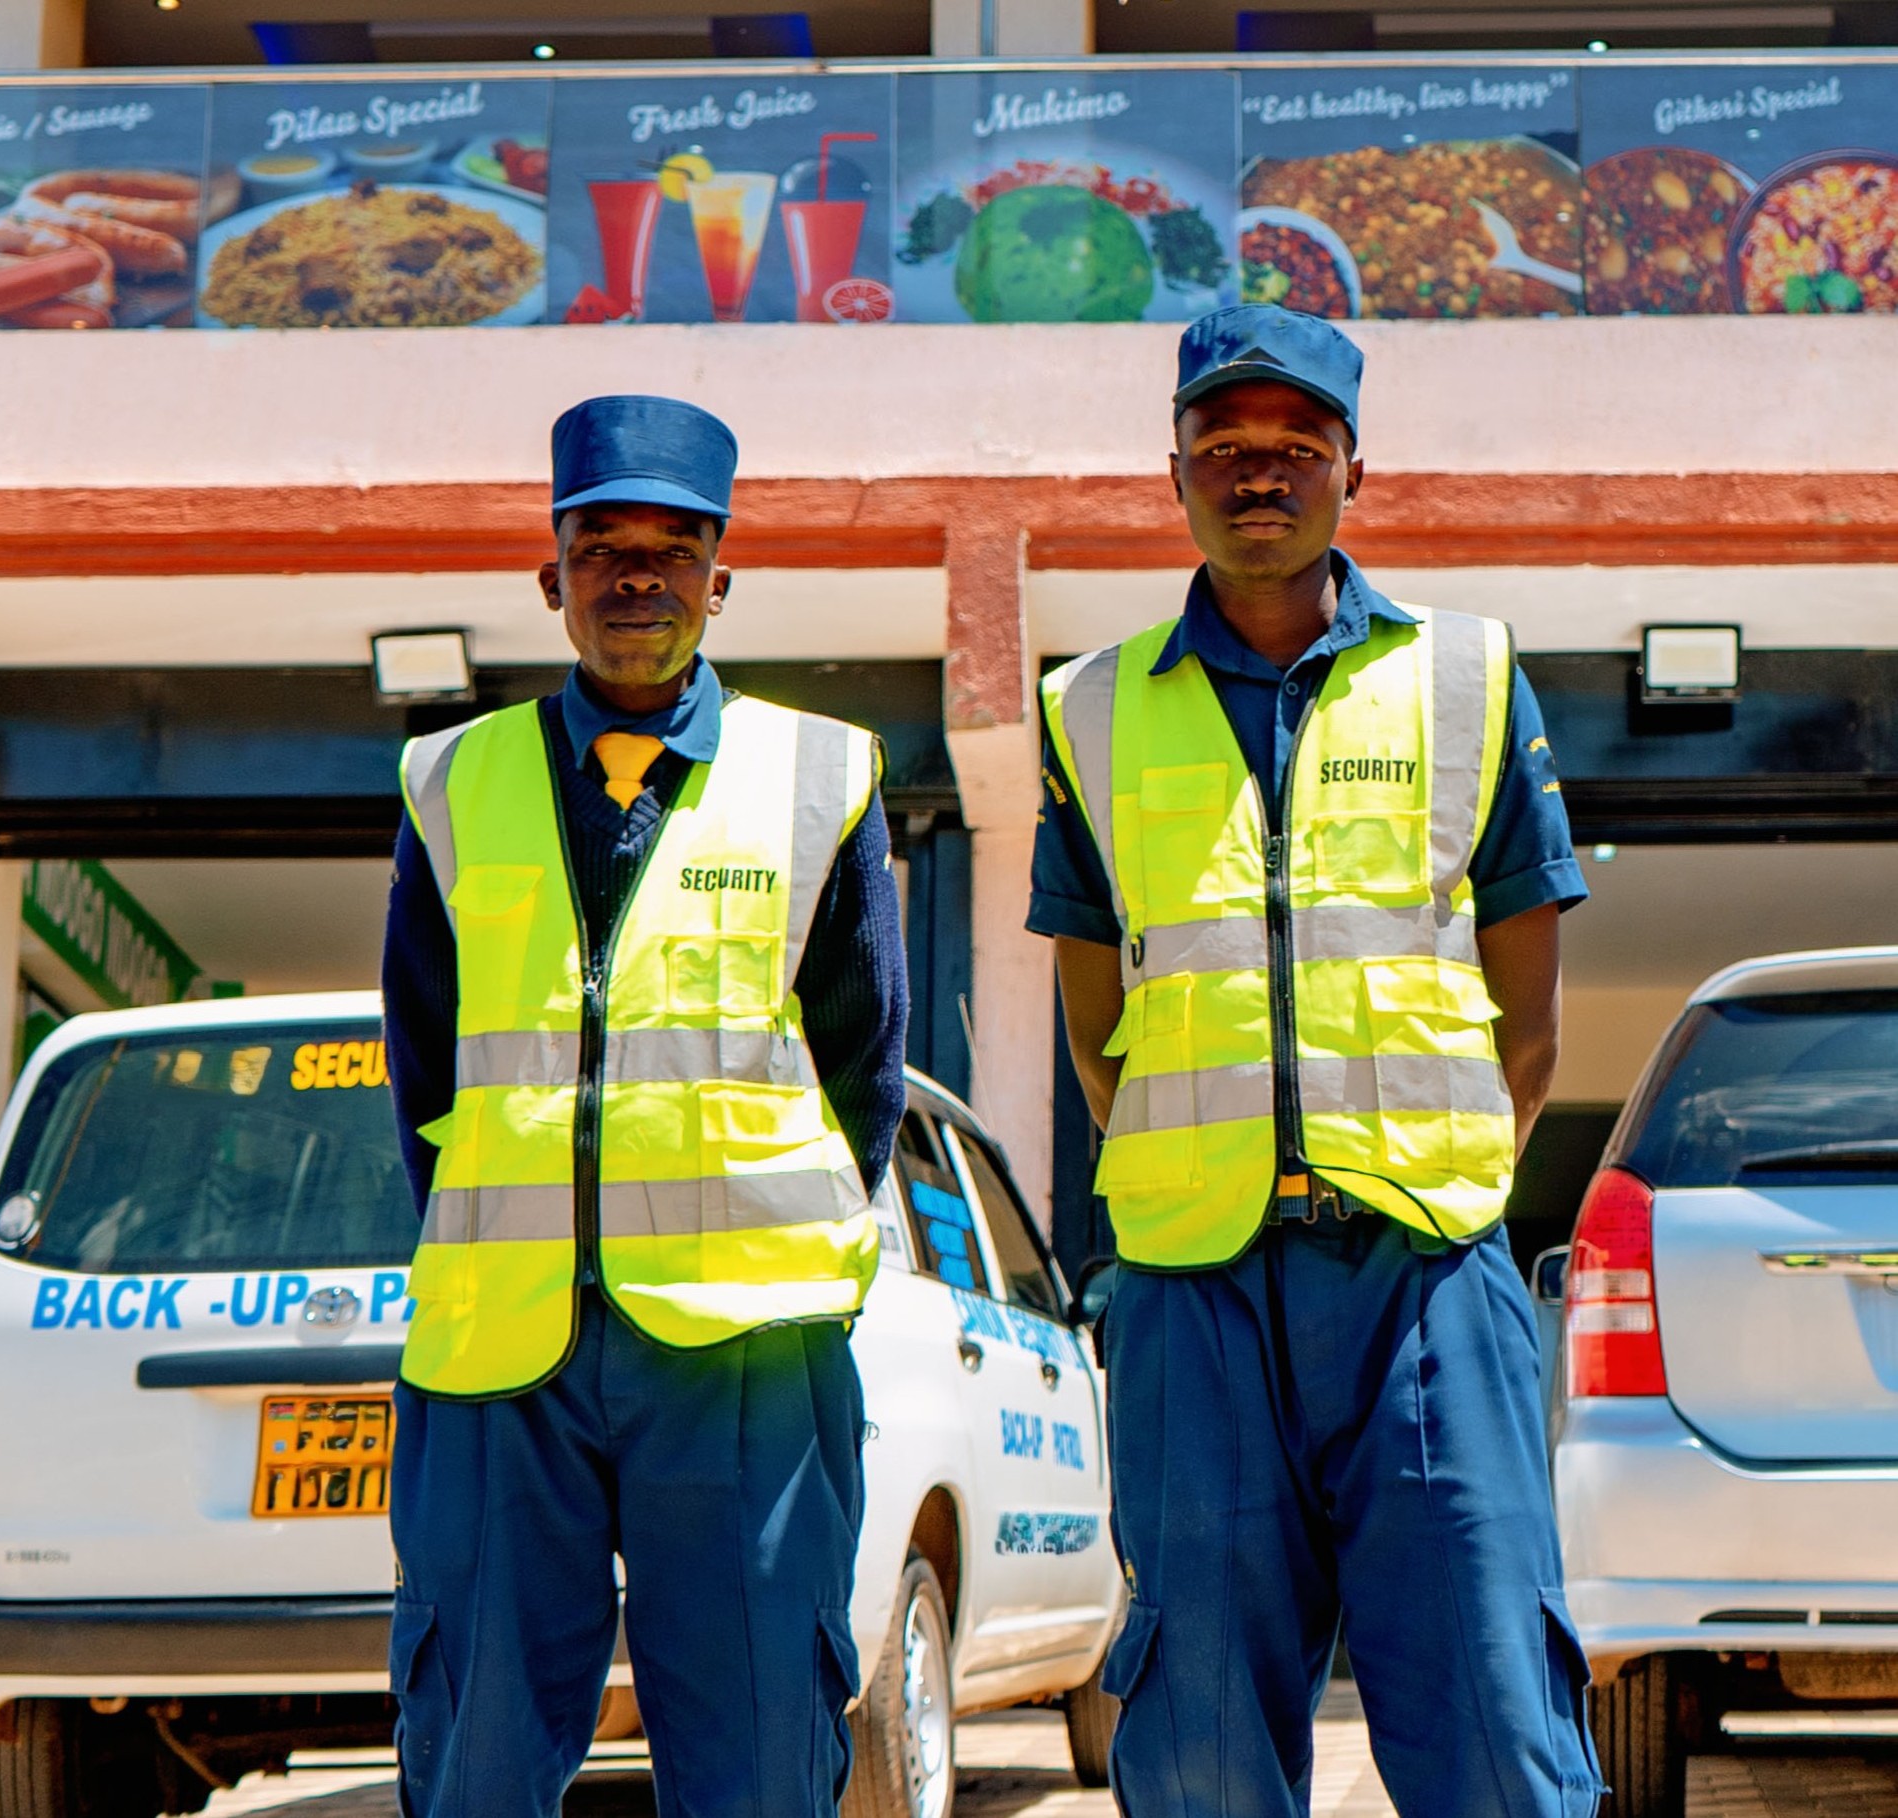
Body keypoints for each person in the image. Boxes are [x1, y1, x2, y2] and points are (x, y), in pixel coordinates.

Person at [1029, 305, 1603, 1818]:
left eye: (1296, 447)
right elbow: (1096, 1031)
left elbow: (1525, 1022)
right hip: (1190, 1285)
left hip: (1420, 1271)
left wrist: (1429, 1175)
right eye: (1224, 448)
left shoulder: (1467, 678)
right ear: (1174, 475)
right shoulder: (1085, 710)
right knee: (1202, 1724)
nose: (1259, 474)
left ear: (1355, 467)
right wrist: (1206, 1169)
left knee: (1488, 1701)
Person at [380, 393, 908, 1818]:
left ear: (719, 579)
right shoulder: (451, 781)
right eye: (599, 545)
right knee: (476, 1750)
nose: (635, 576)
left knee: (749, 1758)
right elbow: (423, 1062)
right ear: (549, 575)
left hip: (741, 1359)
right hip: (503, 1357)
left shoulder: (820, 775)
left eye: (671, 549)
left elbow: (864, 1069)